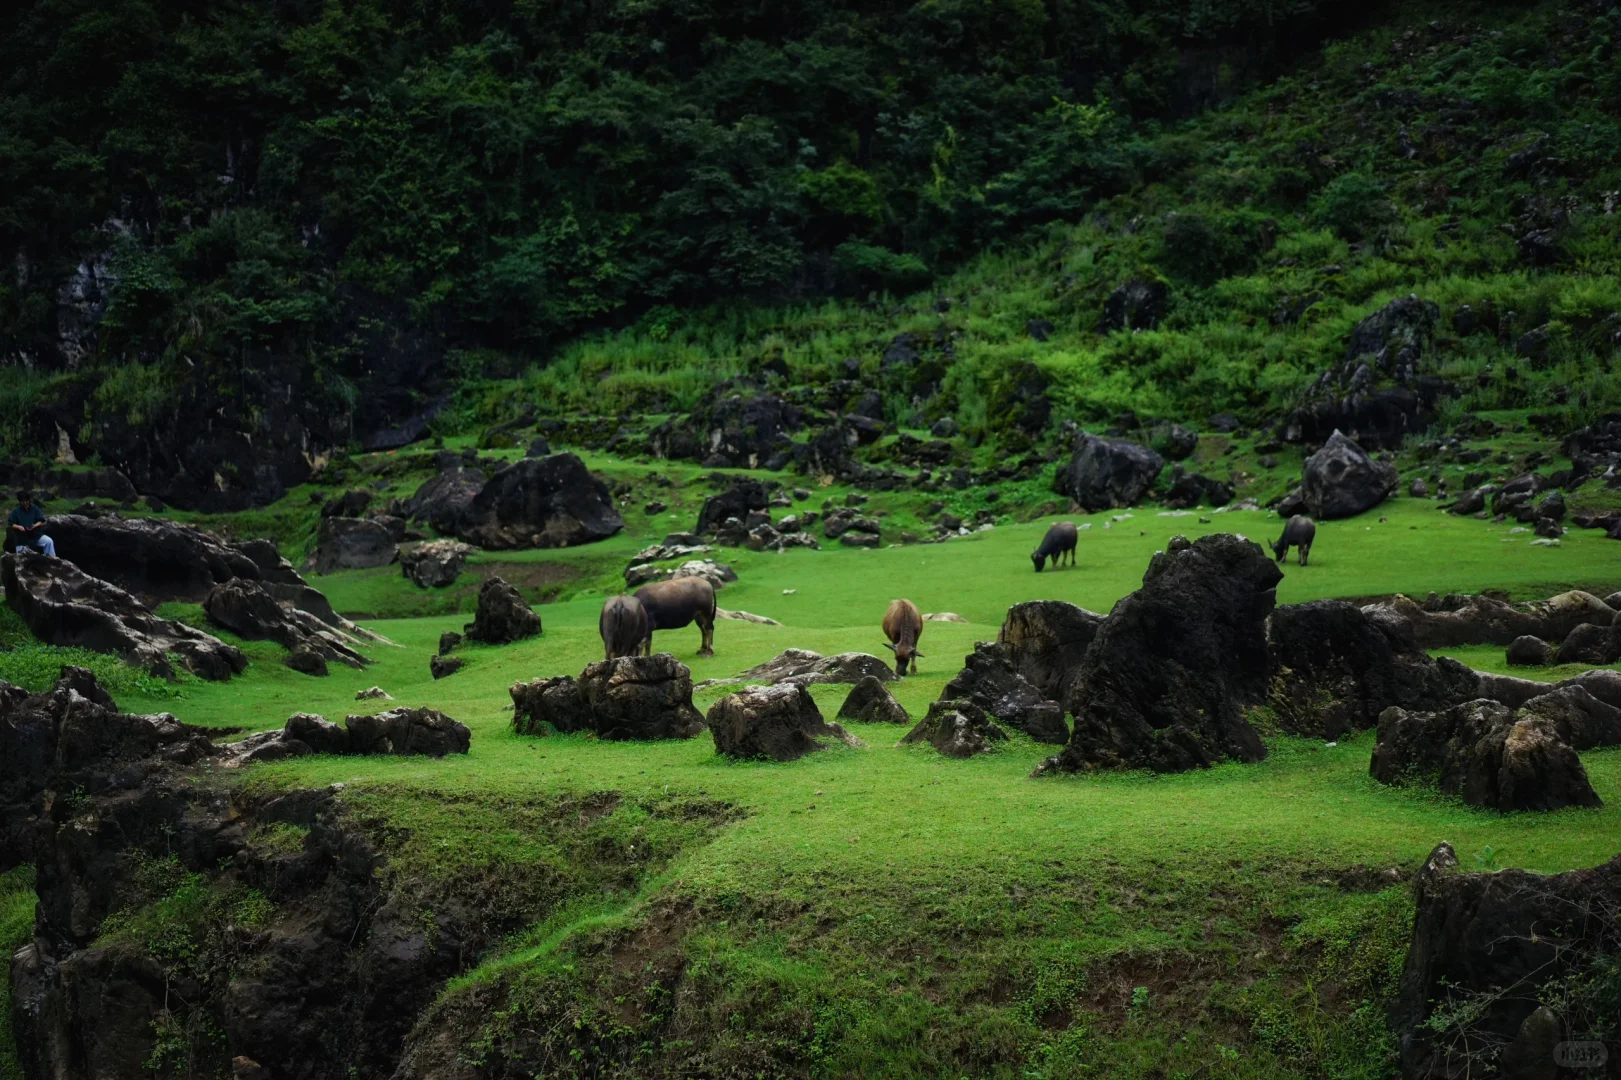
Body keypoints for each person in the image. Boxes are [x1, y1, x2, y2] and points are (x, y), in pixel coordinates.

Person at [8, 491, 54, 557]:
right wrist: (19, 527)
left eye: (26, 501)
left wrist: (35, 525)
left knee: (49, 541)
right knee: (21, 556)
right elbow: (11, 523)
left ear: (29, 500)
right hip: (22, 538)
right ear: (19, 501)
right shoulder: (16, 511)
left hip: (35, 535)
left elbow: (42, 521)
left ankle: (51, 560)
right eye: (23, 501)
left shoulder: (34, 508)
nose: (25, 503)